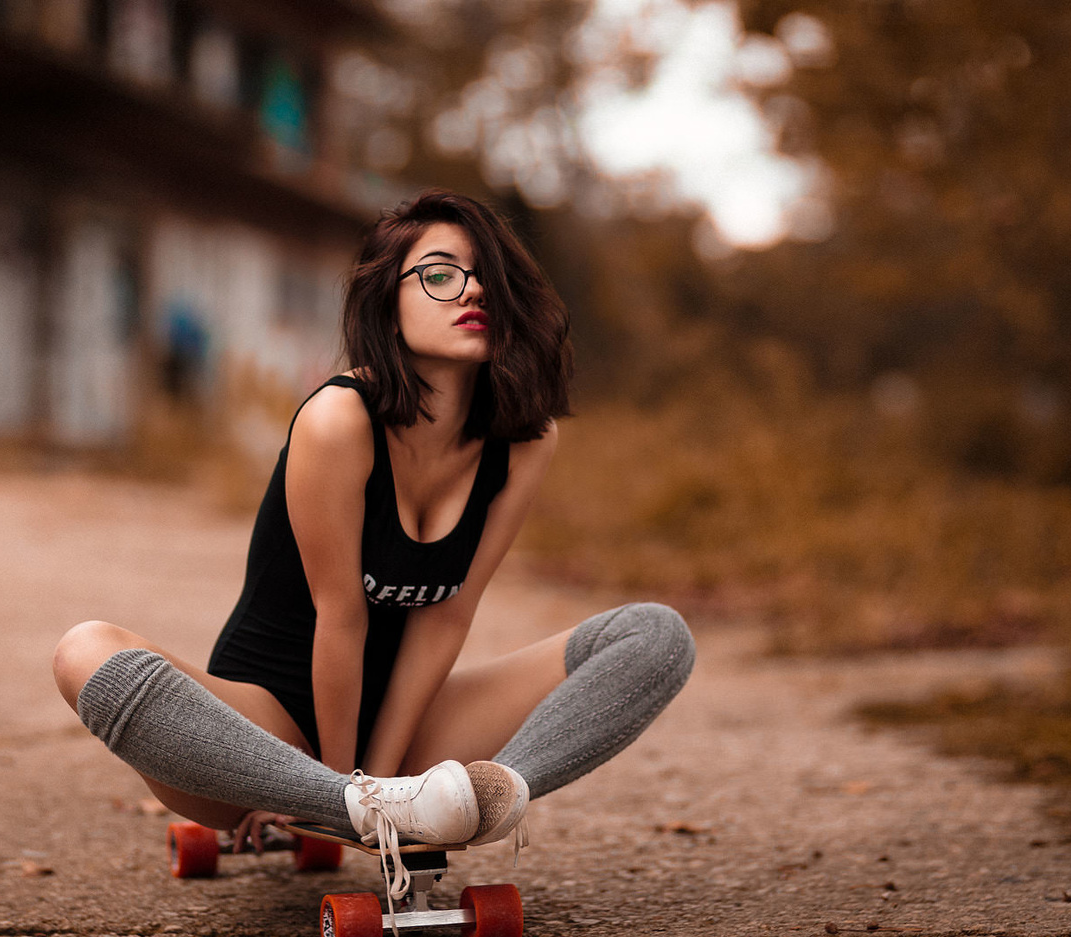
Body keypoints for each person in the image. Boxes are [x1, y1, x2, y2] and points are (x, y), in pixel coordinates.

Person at [52, 190, 695, 895]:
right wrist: (339, 791)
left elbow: (447, 614)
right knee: (85, 650)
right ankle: (343, 800)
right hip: (266, 734)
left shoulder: (525, 440)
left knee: (656, 635)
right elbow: (341, 616)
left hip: (409, 732)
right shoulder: (339, 418)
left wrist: (385, 781)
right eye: (441, 274)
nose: (473, 289)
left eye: (488, 276)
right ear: (387, 302)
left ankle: (491, 797)